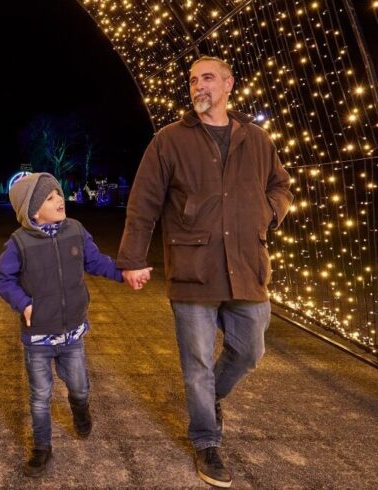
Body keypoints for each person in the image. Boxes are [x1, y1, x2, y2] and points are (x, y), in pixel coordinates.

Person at [117, 56, 294, 488]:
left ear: (229, 84)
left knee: (250, 349)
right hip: (193, 267)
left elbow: (281, 185)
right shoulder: (169, 140)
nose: (199, 86)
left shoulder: (256, 139)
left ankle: (210, 398)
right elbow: (143, 202)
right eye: (193, 80)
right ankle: (206, 441)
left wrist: (269, 212)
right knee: (195, 363)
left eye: (208, 78)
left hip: (247, 266)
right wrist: (132, 259)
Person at [0, 173, 124, 478]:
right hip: (37, 336)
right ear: (33, 210)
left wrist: (123, 273)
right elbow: (2, 278)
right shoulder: (19, 243)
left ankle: (80, 408)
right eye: (49, 198)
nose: (59, 200)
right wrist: (24, 303)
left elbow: (96, 262)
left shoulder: (75, 230)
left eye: (58, 194)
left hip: (72, 333)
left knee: (79, 385)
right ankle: (41, 447)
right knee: (40, 396)